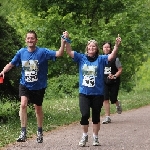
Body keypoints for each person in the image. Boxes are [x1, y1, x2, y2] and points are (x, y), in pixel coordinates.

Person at [0, 30, 65, 143]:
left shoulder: (43, 52)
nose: (30, 40)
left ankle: (39, 131)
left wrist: (63, 42)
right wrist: (3, 71)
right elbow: (12, 63)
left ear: (36, 40)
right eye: (28, 38)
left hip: (39, 86)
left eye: (32, 38)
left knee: (37, 108)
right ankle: (23, 132)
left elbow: (59, 54)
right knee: (23, 105)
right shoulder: (21, 52)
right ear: (26, 40)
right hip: (24, 84)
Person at [63, 31, 121, 147]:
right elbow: (69, 51)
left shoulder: (101, 59)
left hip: (97, 93)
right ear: (87, 48)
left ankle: (95, 137)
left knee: (95, 116)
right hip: (84, 93)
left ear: (96, 49)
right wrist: (66, 39)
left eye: (94, 46)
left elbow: (112, 56)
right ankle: (84, 135)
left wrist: (116, 46)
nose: (91, 48)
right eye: (90, 46)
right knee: (84, 114)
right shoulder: (81, 58)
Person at [102, 42, 123, 124]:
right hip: (104, 81)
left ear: (110, 48)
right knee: (105, 98)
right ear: (102, 49)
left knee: (113, 99)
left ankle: (117, 104)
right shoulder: (101, 58)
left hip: (114, 81)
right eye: (104, 47)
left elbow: (120, 70)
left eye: (108, 47)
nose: (106, 49)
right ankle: (107, 117)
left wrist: (114, 76)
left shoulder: (115, 59)